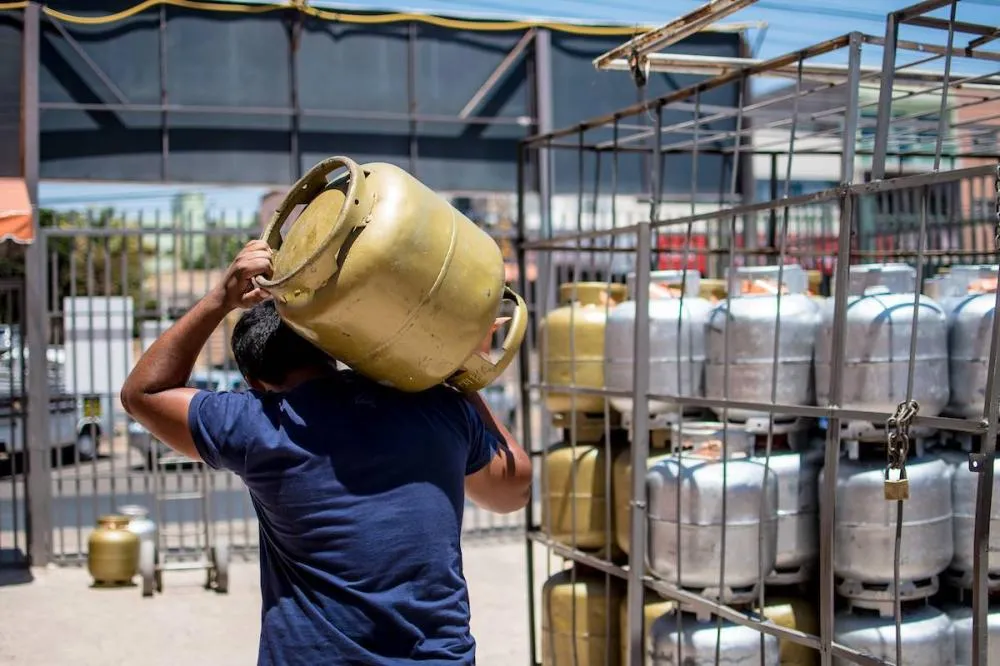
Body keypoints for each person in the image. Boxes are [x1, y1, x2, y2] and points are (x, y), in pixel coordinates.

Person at [120, 240, 533, 665]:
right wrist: (461, 376)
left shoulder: (260, 424)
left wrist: (220, 299)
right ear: (333, 346)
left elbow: (142, 393)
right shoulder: (436, 406)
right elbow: (513, 491)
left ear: (253, 382)